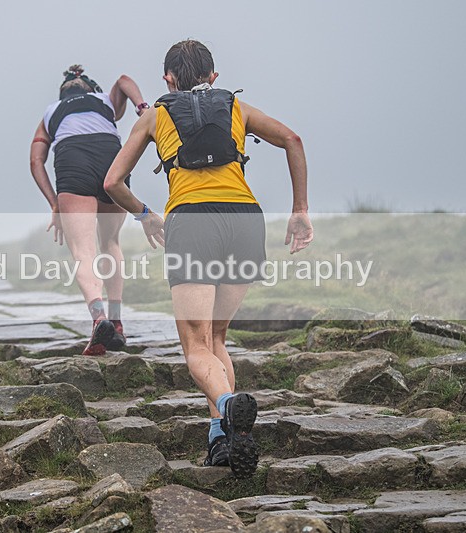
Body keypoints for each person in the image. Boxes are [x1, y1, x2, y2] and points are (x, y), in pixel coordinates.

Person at [103, 40, 313, 478]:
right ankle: (222, 438)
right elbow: (292, 139)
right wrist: (300, 212)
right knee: (216, 337)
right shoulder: (237, 107)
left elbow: (113, 182)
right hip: (244, 219)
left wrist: (145, 215)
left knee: (196, 346)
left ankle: (228, 405)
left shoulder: (154, 115)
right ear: (213, 77)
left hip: (193, 223)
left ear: (168, 80)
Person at [30, 65, 149, 355]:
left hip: (72, 159)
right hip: (109, 155)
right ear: (91, 90)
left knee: (84, 252)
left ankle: (99, 318)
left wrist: (55, 204)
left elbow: (36, 162)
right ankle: (117, 322)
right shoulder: (104, 101)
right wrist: (142, 107)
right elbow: (123, 80)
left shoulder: (51, 112)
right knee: (111, 242)